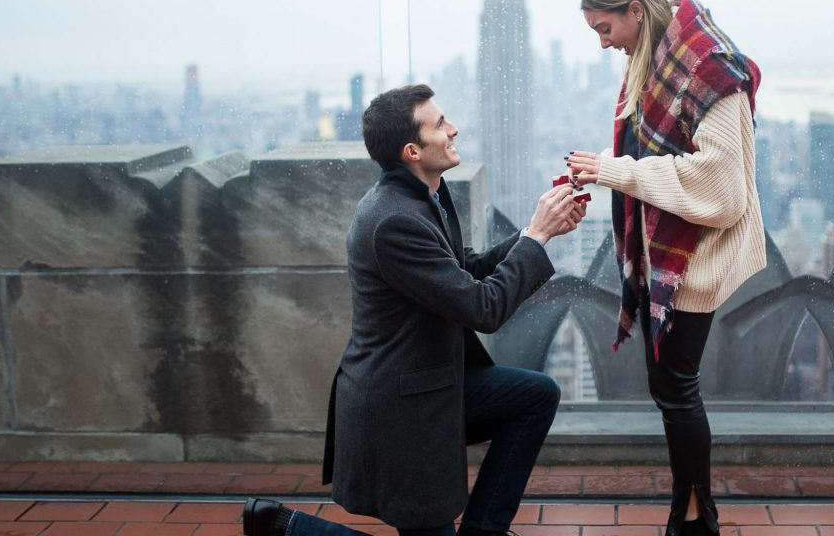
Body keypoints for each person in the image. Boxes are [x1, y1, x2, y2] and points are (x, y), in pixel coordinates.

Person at [244, 84, 586, 536]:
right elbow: (483, 307)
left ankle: (484, 529)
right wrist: (536, 241)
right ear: (412, 150)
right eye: (440, 125)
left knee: (534, 395)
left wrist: (536, 231)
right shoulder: (393, 221)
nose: (454, 129)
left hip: (430, 381)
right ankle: (284, 527)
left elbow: (463, 270)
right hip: (399, 409)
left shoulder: (422, 197)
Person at [564, 0, 767, 536]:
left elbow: (724, 191)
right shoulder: (655, 55)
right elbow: (647, 146)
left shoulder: (706, 66)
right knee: (670, 385)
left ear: (635, 9)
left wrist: (614, 172)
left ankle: (698, 517)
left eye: (605, 29)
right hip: (666, 257)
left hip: (693, 259)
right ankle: (692, 507)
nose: (604, 45)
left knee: (676, 387)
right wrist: (602, 172)